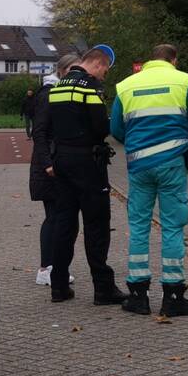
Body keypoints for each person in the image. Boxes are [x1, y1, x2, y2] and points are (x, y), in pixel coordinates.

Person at [110, 44, 188, 317]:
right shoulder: (183, 81)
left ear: (149, 60)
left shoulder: (127, 85)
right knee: (172, 226)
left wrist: (138, 142)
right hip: (171, 164)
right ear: (173, 60)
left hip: (138, 166)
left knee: (139, 226)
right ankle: (173, 296)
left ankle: (138, 296)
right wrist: (182, 134)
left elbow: (116, 128)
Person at [36, 44, 127, 305]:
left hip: (62, 162)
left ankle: (59, 286)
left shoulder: (58, 87)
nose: (104, 76)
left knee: (64, 224)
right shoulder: (90, 87)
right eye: (105, 71)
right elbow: (100, 128)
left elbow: (50, 126)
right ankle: (103, 288)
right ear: (98, 64)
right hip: (88, 163)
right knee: (96, 225)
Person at [30, 54, 80, 286]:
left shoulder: (63, 92)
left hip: (59, 163)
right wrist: (47, 163)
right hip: (49, 167)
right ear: (61, 70)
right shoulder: (49, 94)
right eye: (71, 69)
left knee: (61, 217)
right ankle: (46, 268)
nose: (75, 74)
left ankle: (54, 267)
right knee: (54, 217)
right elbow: (39, 131)